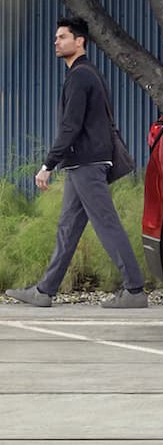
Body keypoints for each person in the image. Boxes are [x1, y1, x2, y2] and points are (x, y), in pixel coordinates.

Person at [4, 17, 147, 308]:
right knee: (68, 228)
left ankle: (134, 290)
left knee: (106, 224)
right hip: (82, 164)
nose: (56, 42)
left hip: (87, 164)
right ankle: (45, 291)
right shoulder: (84, 74)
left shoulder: (81, 76)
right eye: (56, 38)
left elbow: (71, 127)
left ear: (79, 41)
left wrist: (47, 165)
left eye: (62, 37)